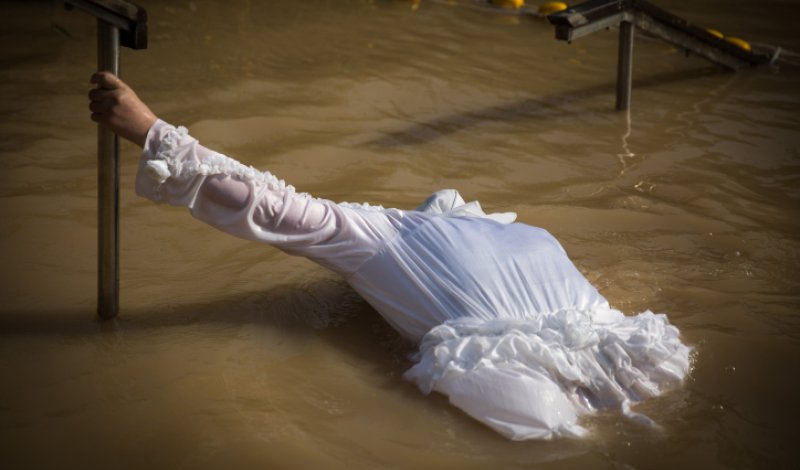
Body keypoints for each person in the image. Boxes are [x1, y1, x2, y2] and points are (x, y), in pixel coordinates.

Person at [88, 71, 691, 440]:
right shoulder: (528, 234)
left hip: (515, 378)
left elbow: (269, 205)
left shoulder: (385, 233)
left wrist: (151, 129)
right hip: (636, 351)